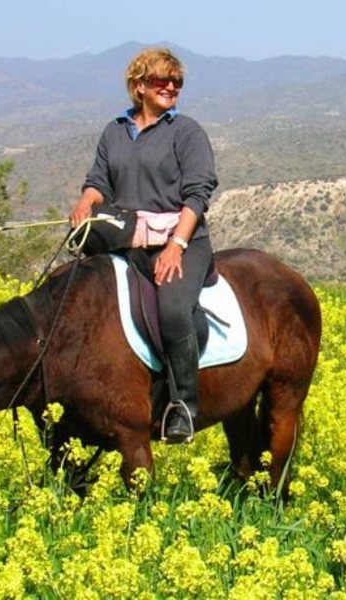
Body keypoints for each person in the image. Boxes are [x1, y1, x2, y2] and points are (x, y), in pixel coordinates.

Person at [70, 48, 218, 444]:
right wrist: (86, 202)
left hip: (184, 242)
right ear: (139, 86)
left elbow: (198, 194)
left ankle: (183, 407)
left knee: (171, 309)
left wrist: (176, 247)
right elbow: (98, 180)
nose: (171, 87)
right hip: (128, 241)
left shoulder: (186, 132)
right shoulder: (114, 131)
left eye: (177, 82)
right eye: (161, 81)